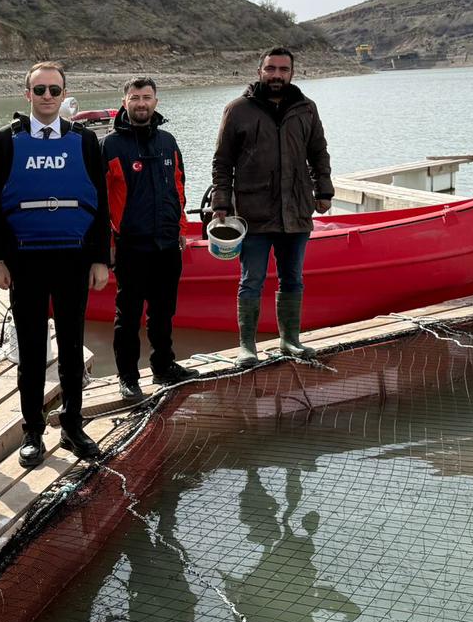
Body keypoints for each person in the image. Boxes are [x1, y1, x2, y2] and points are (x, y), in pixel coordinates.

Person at [0, 62, 110, 467]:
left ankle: (73, 426)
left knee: (72, 347)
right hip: (26, 261)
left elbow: (100, 202)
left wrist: (99, 259)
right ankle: (32, 432)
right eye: (39, 90)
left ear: (64, 93)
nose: (47, 97)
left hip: (73, 259)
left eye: (54, 90)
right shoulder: (6, 141)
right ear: (28, 95)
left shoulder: (87, 141)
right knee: (32, 350)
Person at [209, 46, 334, 362]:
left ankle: (290, 339)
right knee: (251, 280)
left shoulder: (306, 108)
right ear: (259, 71)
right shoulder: (238, 110)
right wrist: (221, 203)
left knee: (293, 278)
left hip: (296, 212)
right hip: (253, 214)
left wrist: (324, 192)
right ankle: (247, 347)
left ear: (292, 73)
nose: (276, 75)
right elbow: (222, 161)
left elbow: (319, 153)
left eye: (283, 69)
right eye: (271, 69)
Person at [102, 77, 199, 400]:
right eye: (135, 98)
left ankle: (164, 366)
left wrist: (182, 229)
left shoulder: (168, 142)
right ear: (124, 101)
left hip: (167, 244)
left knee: (164, 311)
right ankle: (128, 377)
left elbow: (179, 188)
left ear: (155, 101)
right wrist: (108, 246)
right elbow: (99, 201)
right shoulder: (110, 145)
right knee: (128, 315)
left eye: (146, 97)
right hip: (131, 245)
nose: (141, 103)